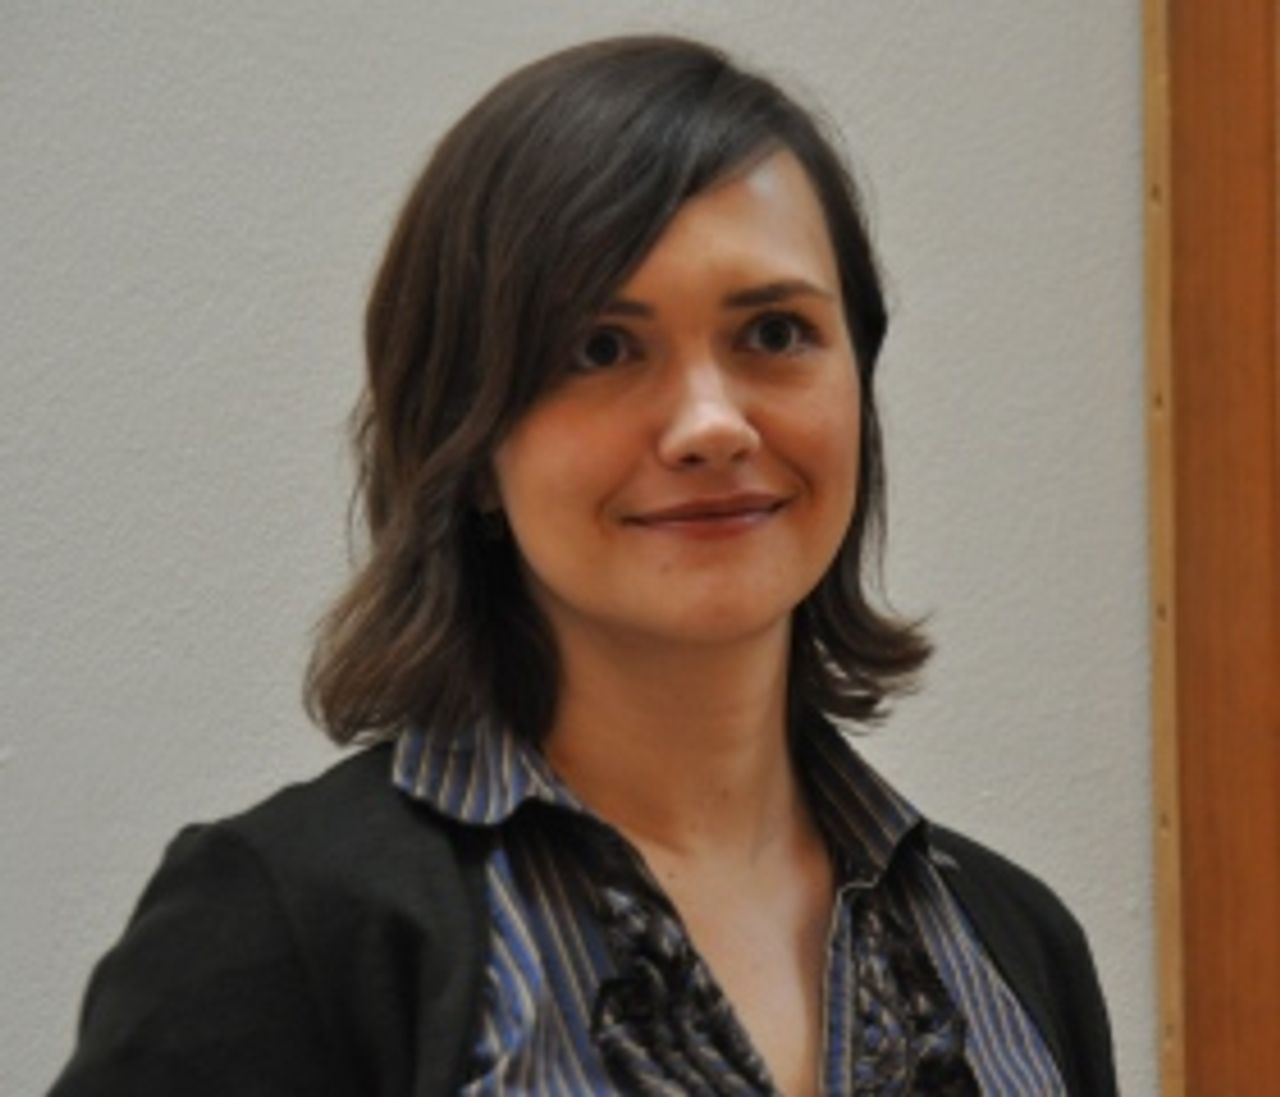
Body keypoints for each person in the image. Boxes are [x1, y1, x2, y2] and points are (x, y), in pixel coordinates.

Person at [50, 35, 1116, 1096]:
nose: (711, 425)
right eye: (601, 348)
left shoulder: (1015, 941)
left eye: (775, 332)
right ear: (469, 441)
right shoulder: (285, 930)